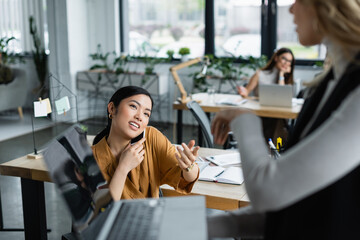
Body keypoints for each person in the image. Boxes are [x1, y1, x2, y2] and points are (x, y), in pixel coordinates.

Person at [208, 0, 360, 238]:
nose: (290, 9)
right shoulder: (331, 80)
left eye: (297, 0)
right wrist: (189, 226)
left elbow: (267, 191)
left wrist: (244, 118)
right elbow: (300, 206)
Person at [92, 86, 200, 201]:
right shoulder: (91, 158)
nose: (139, 117)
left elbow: (185, 178)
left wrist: (189, 167)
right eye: (133, 106)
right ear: (112, 108)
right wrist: (123, 168)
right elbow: (101, 210)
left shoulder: (151, 138)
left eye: (146, 114)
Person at [239, 47, 295, 142]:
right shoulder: (259, 74)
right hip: (260, 114)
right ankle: (274, 150)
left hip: (278, 116)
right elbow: (246, 93)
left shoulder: (288, 79)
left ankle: (273, 149)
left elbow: (282, 97)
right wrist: (243, 92)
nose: (286, 63)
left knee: (277, 120)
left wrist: (281, 74)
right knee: (275, 122)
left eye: (289, 61)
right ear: (276, 58)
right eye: (284, 58)